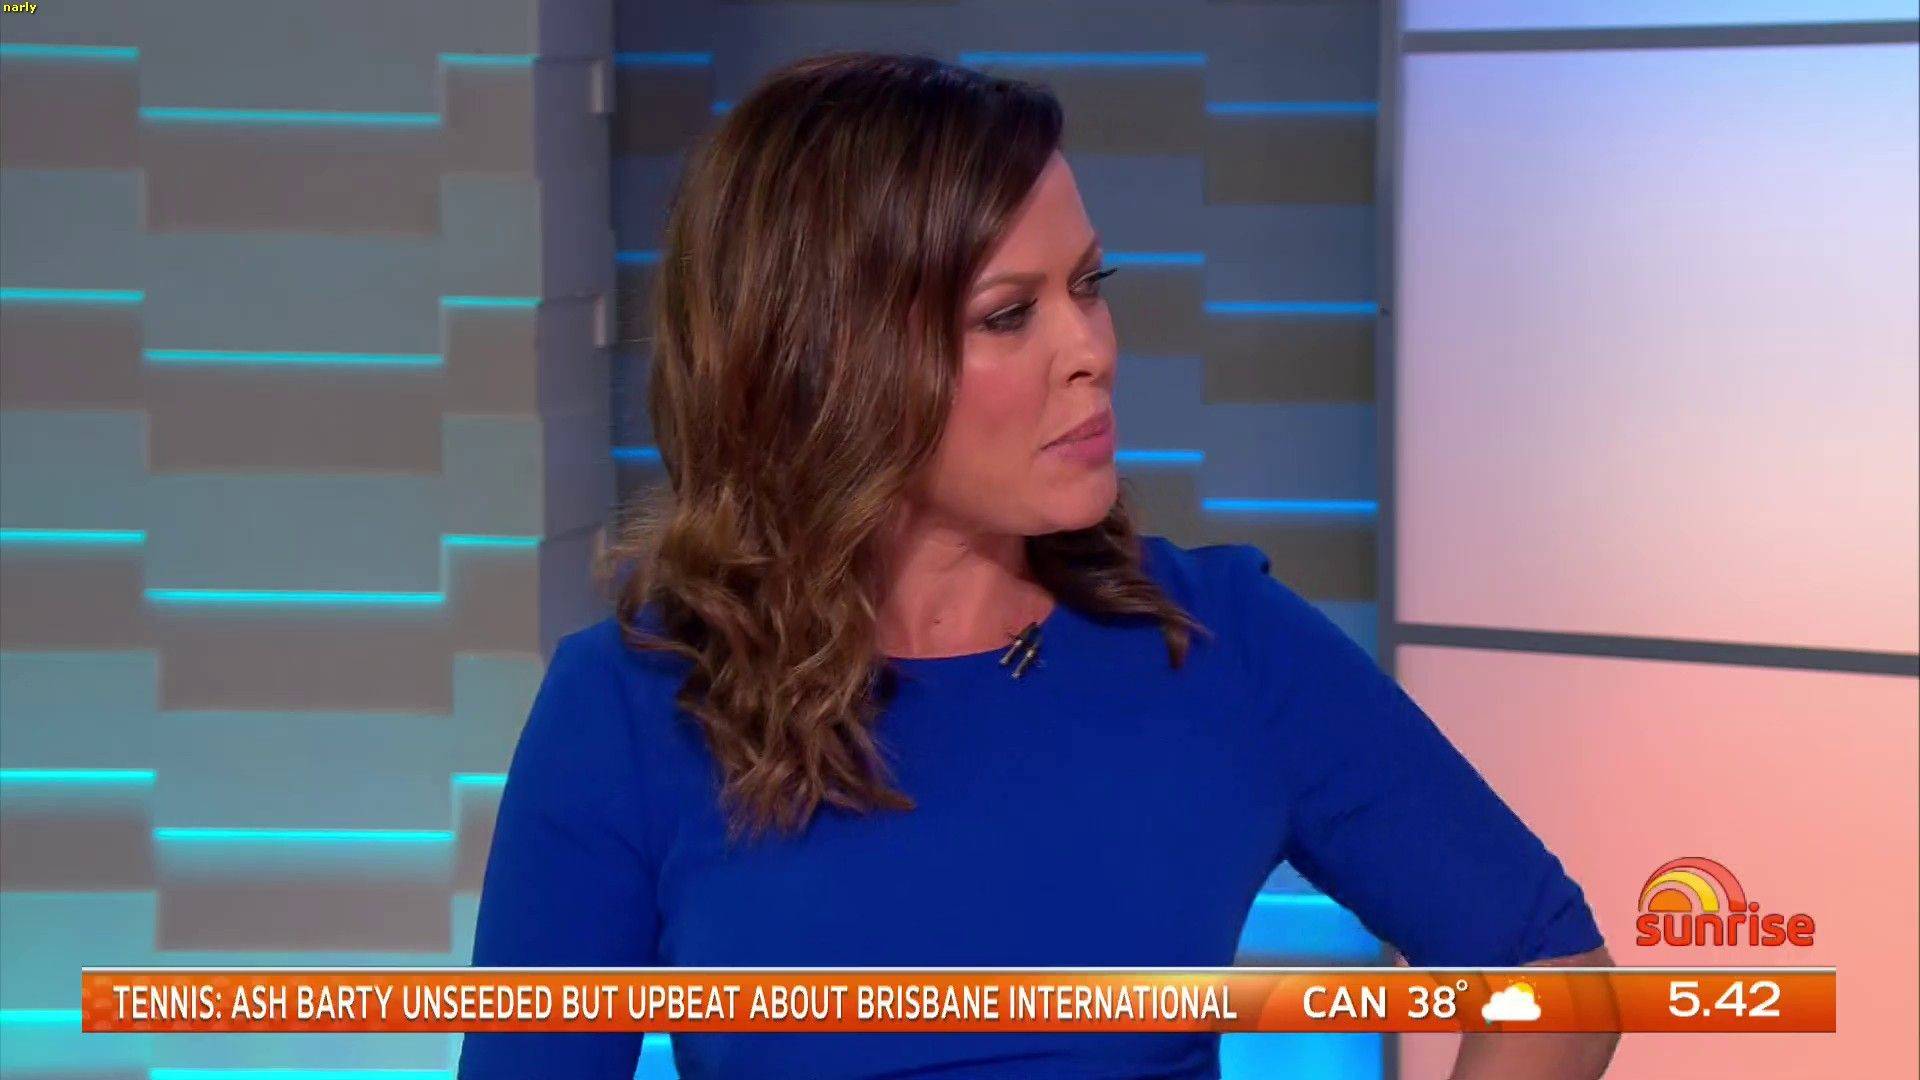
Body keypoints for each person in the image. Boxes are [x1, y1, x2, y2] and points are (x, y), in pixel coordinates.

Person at [458, 51, 1618, 1080]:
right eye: (1009, 314)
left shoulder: (1219, 643)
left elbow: (1553, 977)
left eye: (1089, 287)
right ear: (831, 363)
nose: (1091, 350)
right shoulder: (631, 711)